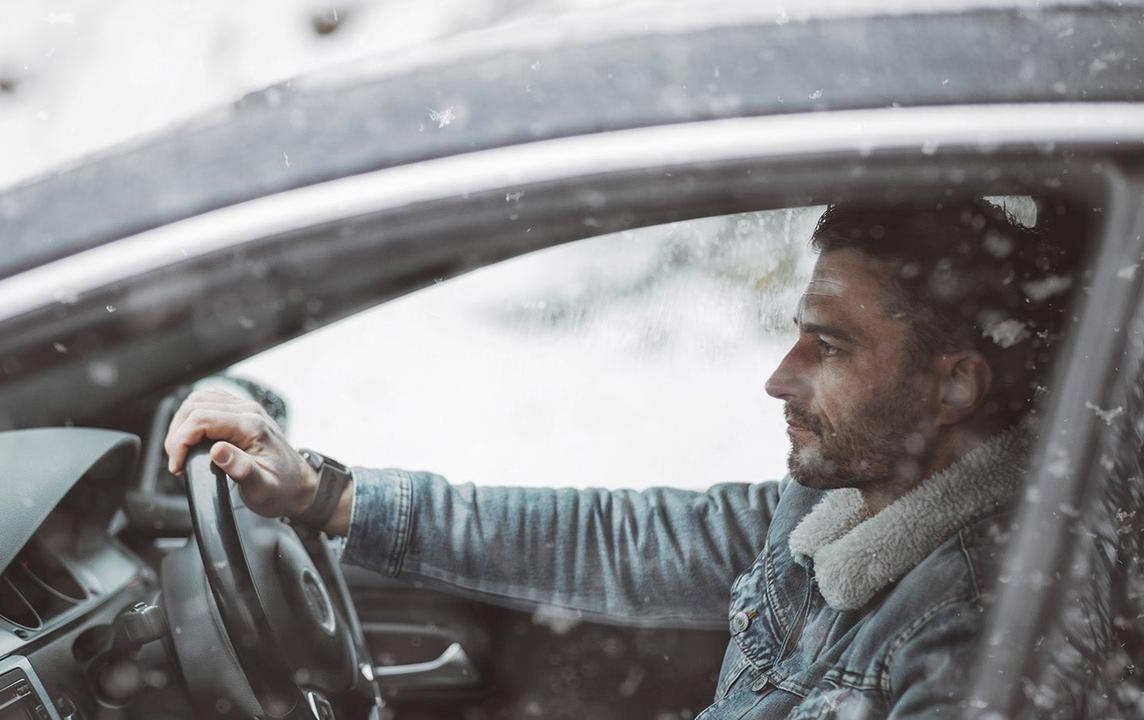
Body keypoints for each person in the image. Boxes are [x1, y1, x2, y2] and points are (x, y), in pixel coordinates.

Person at [163, 199, 1084, 718]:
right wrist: (326, 493)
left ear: (953, 387)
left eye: (828, 347)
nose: (778, 378)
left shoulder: (976, 640)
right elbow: (608, 538)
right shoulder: (832, 513)